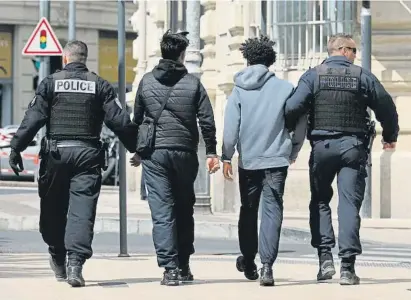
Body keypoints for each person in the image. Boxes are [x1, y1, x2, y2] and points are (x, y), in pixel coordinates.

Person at [9, 40, 138, 288]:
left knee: (52, 208)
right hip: (88, 156)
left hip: (56, 155)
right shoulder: (99, 84)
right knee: (82, 211)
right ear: (84, 59)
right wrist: (138, 148)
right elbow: (120, 121)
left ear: (64, 58)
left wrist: (16, 148)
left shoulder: (51, 83)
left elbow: (32, 119)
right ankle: (75, 265)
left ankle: (57, 254)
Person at [284, 33, 399, 285]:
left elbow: (292, 106)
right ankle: (347, 267)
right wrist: (390, 136)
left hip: (322, 147)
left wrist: (291, 132)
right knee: (348, 206)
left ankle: (325, 259)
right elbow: (386, 107)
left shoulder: (313, 75)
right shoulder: (362, 76)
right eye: (354, 50)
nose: (356, 55)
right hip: (353, 149)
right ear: (344, 50)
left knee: (320, 201)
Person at [130, 30, 219, 286]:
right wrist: (211, 151)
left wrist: (137, 150)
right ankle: (184, 265)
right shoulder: (193, 83)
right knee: (183, 209)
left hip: (155, 154)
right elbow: (207, 121)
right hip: (185, 153)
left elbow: (137, 120)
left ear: (162, 52)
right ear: (181, 55)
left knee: (162, 212)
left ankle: (169, 270)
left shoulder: (146, 81)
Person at [221, 35, 307, 286]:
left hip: (249, 161)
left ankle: (248, 260)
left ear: (247, 58)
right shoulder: (285, 88)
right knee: (272, 211)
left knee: (248, 210)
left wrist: (227, 156)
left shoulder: (238, 90)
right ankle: (267, 267)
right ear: (271, 60)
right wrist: (293, 150)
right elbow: (301, 122)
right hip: (277, 160)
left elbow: (230, 130)